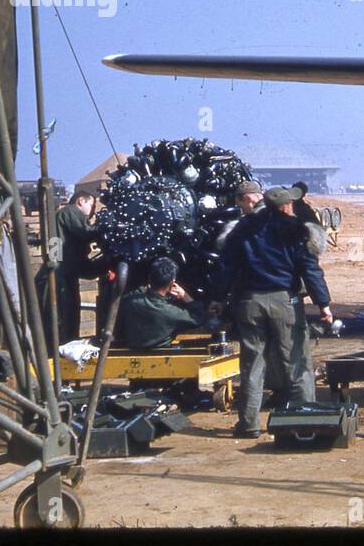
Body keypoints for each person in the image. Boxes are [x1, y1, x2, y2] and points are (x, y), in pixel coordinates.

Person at [221, 186, 333, 438]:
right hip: (285, 303)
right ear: (286, 206)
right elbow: (310, 269)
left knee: (252, 363)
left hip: (249, 302)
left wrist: (218, 299)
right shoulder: (295, 230)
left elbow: (227, 267)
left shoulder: (243, 228)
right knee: (297, 362)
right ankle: (305, 420)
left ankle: (249, 424)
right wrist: (323, 304)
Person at [116, 257, 202, 348]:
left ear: (149, 278)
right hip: (163, 358)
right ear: (172, 283)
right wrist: (186, 297)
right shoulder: (172, 313)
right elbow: (197, 318)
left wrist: (143, 290)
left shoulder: (129, 303)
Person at [54, 192, 99, 343]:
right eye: (91, 205)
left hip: (67, 275)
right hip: (60, 276)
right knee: (65, 317)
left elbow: (85, 267)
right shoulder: (69, 211)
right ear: (80, 201)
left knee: (72, 315)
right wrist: (105, 227)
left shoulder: (67, 218)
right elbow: (85, 232)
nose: (92, 211)